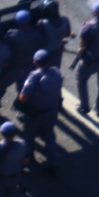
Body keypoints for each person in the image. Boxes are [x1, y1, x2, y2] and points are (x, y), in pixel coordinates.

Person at [17, 49, 63, 177]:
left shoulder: (34, 76)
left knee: (28, 137)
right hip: (52, 111)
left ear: (36, 61)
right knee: (49, 136)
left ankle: (28, 157)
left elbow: (23, 97)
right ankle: (53, 163)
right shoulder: (56, 72)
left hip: (36, 113)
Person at [1, 9, 42, 107]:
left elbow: (6, 49)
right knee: (23, 90)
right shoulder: (37, 34)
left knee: (1, 87)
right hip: (28, 67)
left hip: (13, 68)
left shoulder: (11, 34)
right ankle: (20, 107)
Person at [36, 0, 72, 68]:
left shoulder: (42, 24)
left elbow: (37, 39)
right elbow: (67, 34)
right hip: (57, 51)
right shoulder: (65, 20)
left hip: (43, 54)